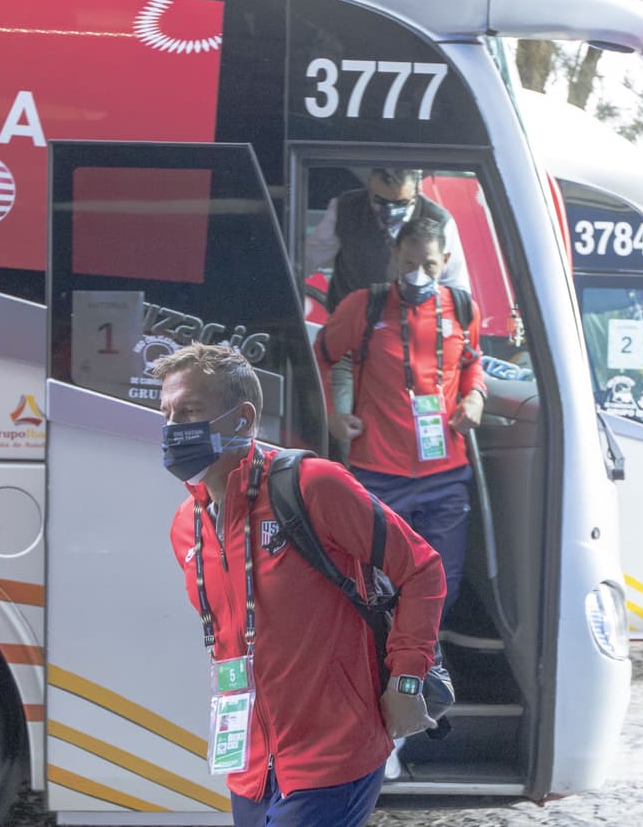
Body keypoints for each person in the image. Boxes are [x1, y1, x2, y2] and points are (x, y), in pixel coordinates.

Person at [154, 342, 446, 826]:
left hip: (335, 755)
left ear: (242, 419)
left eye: (187, 411)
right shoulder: (187, 524)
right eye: (164, 413)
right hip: (248, 765)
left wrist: (407, 679)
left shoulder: (312, 486)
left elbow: (423, 569)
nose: (171, 429)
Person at [317, 217, 486, 617]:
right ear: (395, 256)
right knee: (379, 584)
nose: (418, 274)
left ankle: (423, 671)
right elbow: (321, 357)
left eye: (428, 265)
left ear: (444, 260)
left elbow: (472, 364)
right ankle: (384, 667)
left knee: (443, 585)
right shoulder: (364, 305)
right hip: (378, 473)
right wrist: (333, 415)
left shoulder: (463, 308)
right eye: (409, 264)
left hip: (446, 476)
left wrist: (475, 396)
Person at [305, 167, 470, 312]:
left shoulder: (440, 222)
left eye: (401, 203)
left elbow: (455, 287)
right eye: (380, 201)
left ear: (416, 193)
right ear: (369, 189)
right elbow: (308, 259)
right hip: (350, 322)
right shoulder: (345, 209)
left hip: (408, 325)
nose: (389, 210)